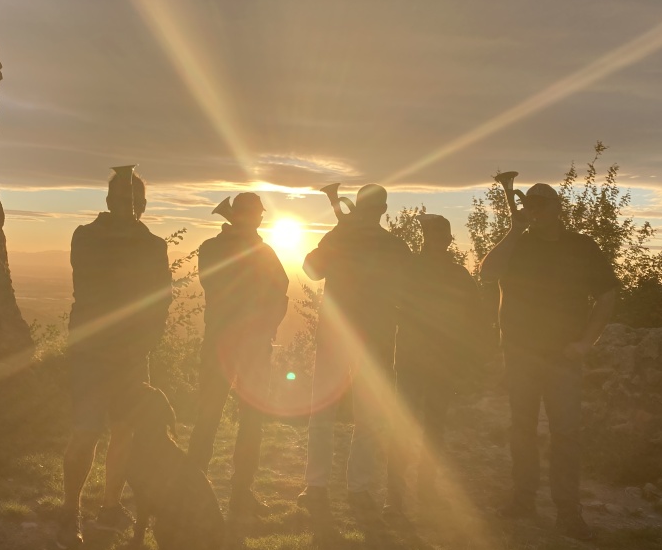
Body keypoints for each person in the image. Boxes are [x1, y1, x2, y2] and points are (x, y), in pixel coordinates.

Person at [479, 181, 617, 540]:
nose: (536, 211)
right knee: (522, 430)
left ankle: (568, 512)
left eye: (542, 205)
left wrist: (587, 342)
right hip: (520, 353)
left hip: (563, 356)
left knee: (566, 435)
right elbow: (487, 271)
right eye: (531, 206)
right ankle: (523, 499)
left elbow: (607, 294)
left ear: (558, 208)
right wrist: (513, 228)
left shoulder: (581, 246)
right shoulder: (517, 244)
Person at [57, 166, 173, 549]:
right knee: (85, 431)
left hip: (132, 352)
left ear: (142, 205)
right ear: (109, 202)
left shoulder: (153, 245)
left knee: (124, 432)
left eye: (135, 201)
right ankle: (70, 509)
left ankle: (109, 508)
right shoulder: (87, 237)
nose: (129, 207)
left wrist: (146, 343)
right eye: (122, 200)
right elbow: (94, 282)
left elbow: (160, 299)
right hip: (92, 350)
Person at [296, 184, 411, 513]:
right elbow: (312, 269)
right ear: (381, 210)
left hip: (359, 338)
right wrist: (337, 233)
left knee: (335, 415)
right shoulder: (389, 244)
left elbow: (310, 270)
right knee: (360, 417)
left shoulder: (389, 245)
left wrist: (339, 234)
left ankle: (323, 487)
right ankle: (348, 489)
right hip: (361, 338)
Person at [187, 192, 289, 517]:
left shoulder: (214, 248)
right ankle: (235, 492)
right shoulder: (252, 250)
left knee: (213, 416)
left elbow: (278, 288)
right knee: (245, 419)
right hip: (246, 343)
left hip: (227, 341)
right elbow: (278, 289)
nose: (260, 220)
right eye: (257, 214)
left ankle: (198, 489)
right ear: (250, 216)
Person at [386, 214, 484, 518]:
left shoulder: (427, 271)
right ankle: (398, 498)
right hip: (416, 360)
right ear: (428, 238)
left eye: (442, 237)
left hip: (434, 361)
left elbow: (474, 317)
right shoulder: (414, 270)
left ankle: (418, 493)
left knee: (432, 429)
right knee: (408, 427)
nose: (439, 242)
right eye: (435, 236)